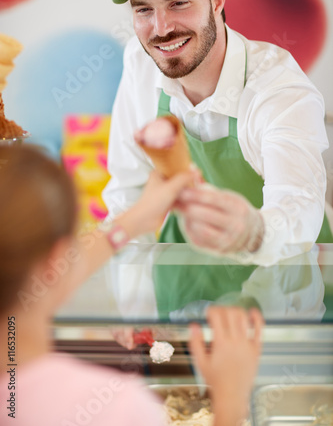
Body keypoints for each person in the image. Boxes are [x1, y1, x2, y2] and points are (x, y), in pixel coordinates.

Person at [103, 0, 333, 265]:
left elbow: (297, 207)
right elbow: (127, 193)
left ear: (217, 0)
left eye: (178, 3)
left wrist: (253, 231)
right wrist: (130, 302)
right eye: (144, 10)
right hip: (183, 277)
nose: (162, 28)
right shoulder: (140, 62)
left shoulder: (278, 88)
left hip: (285, 284)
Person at [0, 144, 263, 426]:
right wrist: (230, 402)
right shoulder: (115, 410)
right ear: (55, 261)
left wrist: (137, 218)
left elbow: (54, 270)